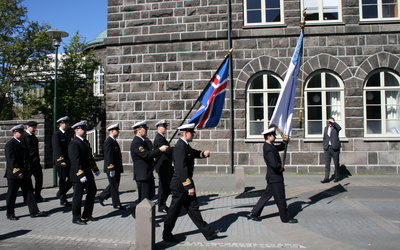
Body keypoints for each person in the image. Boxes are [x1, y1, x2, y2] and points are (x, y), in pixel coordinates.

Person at [163, 123, 221, 242]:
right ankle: (167, 233)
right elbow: (181, 168)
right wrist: (188, 186)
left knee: (193, 208)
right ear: (185, 133)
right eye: (191, 132)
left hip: (185, 184)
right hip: (180, 185)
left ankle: (208, 232)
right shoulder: (180, 147)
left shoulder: (185, 145)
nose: (193, 134)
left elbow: (192, 153)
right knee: (174, 211)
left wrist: (202, 154)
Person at [247, 127, 297, 224]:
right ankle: (285, 217)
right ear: (269, 137)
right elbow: (273, 164)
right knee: (280, 198)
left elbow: (281, 147)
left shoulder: (270, 145)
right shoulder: (268, 148)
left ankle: (254, 213)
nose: (275, 137)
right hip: (275, 177)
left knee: (266, 195)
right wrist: (281, 168)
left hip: (272, 177)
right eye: (274, 135)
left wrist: (285, 140)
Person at [128, 120, 168, 218]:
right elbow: (146, 155)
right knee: (144, 199)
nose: (146, 131)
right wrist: (159, 150)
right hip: (142, 174)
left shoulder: (143, 141)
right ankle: (146, 219)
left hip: (147, 173)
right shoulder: (136, 142)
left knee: (150, 194)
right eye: (144, 129)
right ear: (139, 131)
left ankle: (133, 207)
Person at [5, 124, 43, 220]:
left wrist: (28, 170)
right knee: (12, 194)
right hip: (14, 174)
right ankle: (10, 213)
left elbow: (26, 158)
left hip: (25, 173)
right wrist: (17, 172)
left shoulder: (22, 143)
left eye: (22, 132)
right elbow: (11, 160)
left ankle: (34, 211)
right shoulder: (10, 144)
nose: (22, 134)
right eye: (19, 132)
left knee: (29, 192)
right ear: (14, 133)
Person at [68, 121, 100, 225]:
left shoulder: (85, 142)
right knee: (78, 196)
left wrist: (95, 169)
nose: (85, 131)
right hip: (78, 175)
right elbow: (75, 160)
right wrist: (80, 174)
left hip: (87, 172)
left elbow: (90, 158)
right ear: (76, 130)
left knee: (92, 191)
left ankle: (87, 214)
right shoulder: (74, 143)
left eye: (85, 129)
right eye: (83, 129)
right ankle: (76, 217)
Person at [97, 123, 125, 210]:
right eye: (117, 130)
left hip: (116, 167)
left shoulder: (113, 141)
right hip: (111, 168)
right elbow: (108, 156)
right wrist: (111, 168)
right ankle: (116, 204)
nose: (118, 132)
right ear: (112, 131)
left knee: (113, 185)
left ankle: (102, 196)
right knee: (114, 186)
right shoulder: (108, 142)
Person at [153, 120, 174, 213]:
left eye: (166, 127)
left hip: (166, 165)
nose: (166, 128)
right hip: (162, 166)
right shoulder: (159, 139)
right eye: (164, 127)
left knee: (167, 186)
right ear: (158, 127)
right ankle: (161, 205)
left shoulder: (162, 138)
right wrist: (174, 148)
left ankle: (162, 202)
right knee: (163, 186)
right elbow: (167, 151)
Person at [22, 121, 45, 203]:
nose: (34, 129)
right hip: (29, 162)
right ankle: (27, 198)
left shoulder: (33, 136)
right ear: (28, 127)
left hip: (36, 162)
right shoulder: (25, 136)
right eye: (33, 127)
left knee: (39, 179)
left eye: (35, 127)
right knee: (27, 181)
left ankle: (37, 195)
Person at [52, 116, 73, 206]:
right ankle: (63, 199)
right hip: (61, 161)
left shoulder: (66, 134)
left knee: (71, 178)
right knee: (62, 179)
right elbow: (57, 149)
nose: (67, 124)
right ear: (61, 124)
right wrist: (61, 160)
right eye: (66, 123)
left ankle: (61, 192)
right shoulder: (57, 135)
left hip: (68, 160)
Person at [321, 117, 342, 183]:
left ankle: (337, 177)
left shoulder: (336, 128)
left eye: (331, 121)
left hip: (335, 148)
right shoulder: (326, 128)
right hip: (327, 148)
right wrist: (324, 145)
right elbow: (324, 137)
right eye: (329, 121)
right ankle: (326, 178)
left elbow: (339, 128)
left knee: (336, 163)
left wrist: (334, 123)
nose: (330, 123)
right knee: (327, 164)